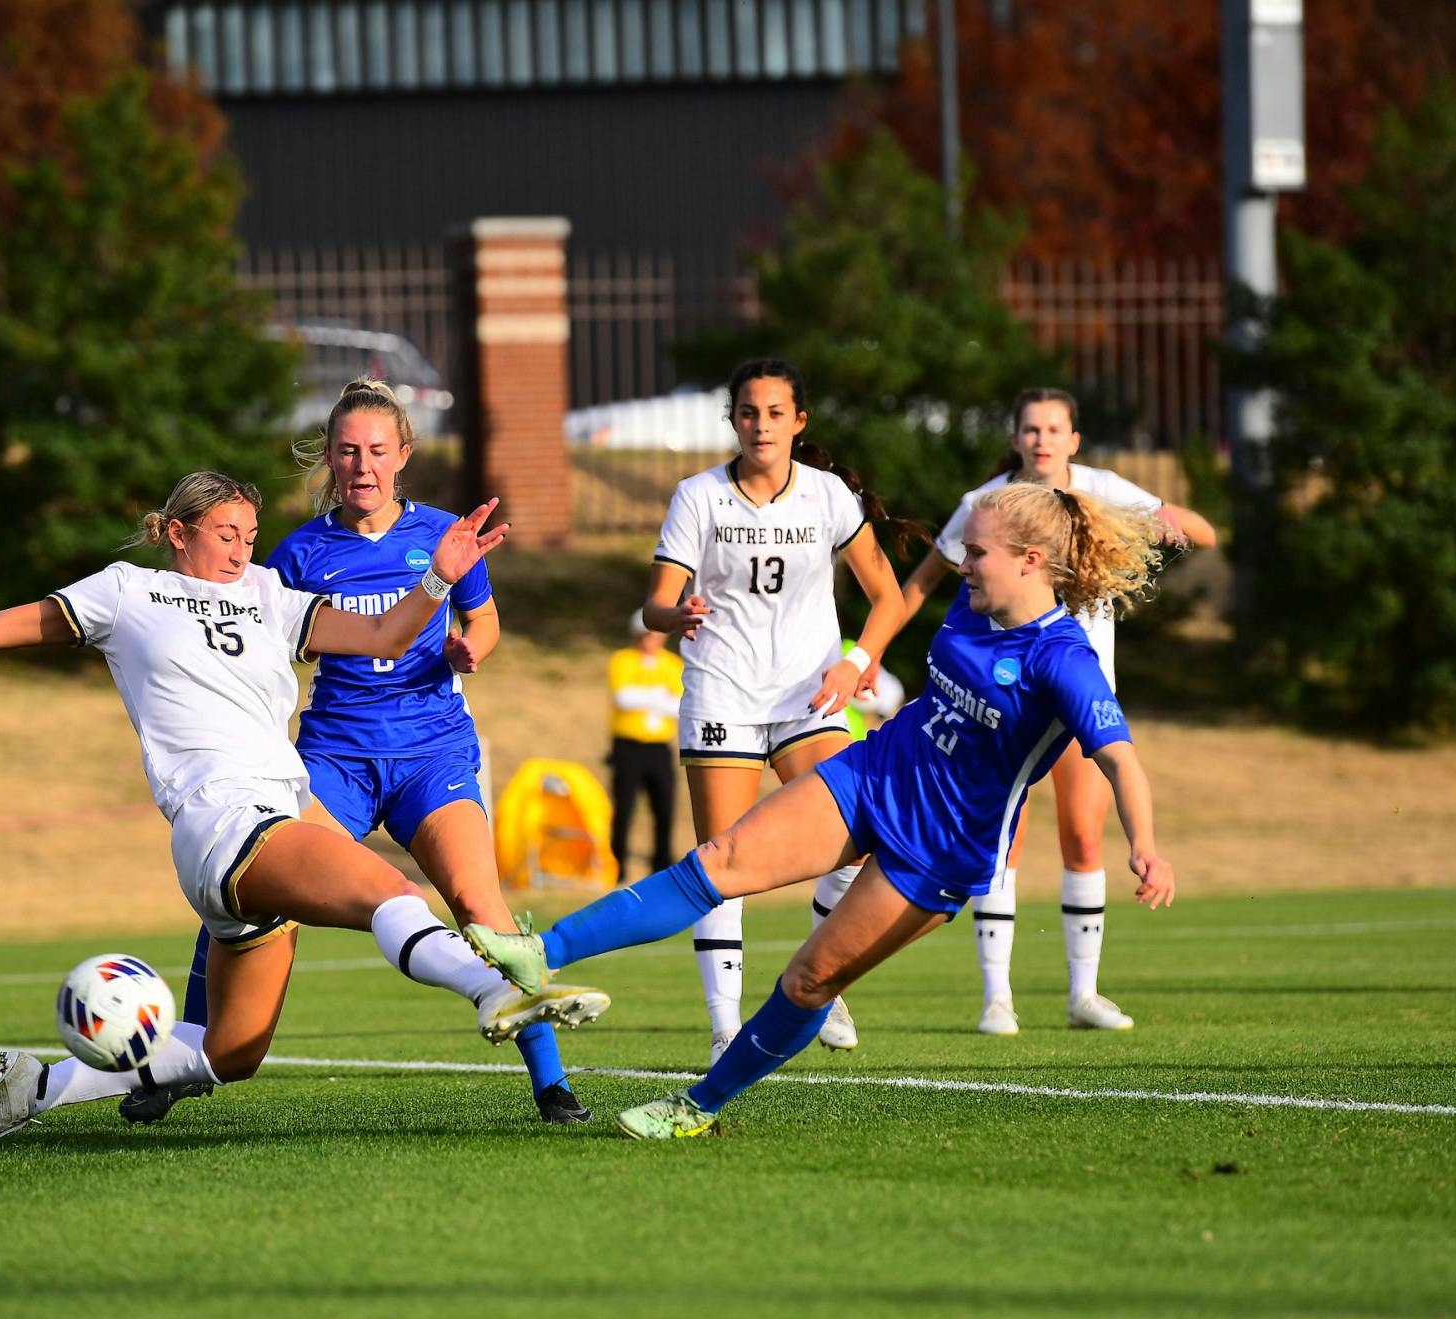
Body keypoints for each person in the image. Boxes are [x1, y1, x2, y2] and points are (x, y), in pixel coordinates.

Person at [0, 471, 611, 1156]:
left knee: (228, 1052)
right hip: (222, 820)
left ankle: (36, 1087)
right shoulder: (125, 593)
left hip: (272, 816)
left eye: (250, 535)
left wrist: (439, 574)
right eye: (224, 535)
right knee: (385, 890)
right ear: (176, 531)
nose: (242, 550)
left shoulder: (272, 597)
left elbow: (389, 634)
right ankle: (489, 994)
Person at [464, 483, 1177, 1139]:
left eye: (979, 552)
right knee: (717, 861)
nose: (964, 563)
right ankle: (541, 954)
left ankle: (697, 1105)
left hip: (940, 850)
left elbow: (1119, 757)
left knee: (810, 980)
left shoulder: (1063, 658)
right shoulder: (973, 603)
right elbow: (901, 603)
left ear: (1030, 561)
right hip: (872, 774)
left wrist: (1144, 842)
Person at [130, 379, 591, 1129]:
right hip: (335, 759)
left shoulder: (444, 534)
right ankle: (184, 1059)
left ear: (404, 454)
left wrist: (472, 646)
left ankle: (551, 1081)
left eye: (377, 449)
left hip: (431, 755)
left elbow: (486, 620)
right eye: (347, 451)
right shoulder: (299, 552)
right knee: (250, 888)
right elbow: (253, 630)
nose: (362, 464)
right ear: (332, 460)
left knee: (479, 905)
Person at [898, 388, 1216, 1036]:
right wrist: (864, 654)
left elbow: (1201, 531)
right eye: (1030, 428)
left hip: (1074, 695)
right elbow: (923, 582)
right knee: (1000, 842)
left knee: (1083, 836)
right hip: (1001, 697)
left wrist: (1145, 525)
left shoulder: (1100, 490)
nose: (1041, 439)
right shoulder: (986, 507)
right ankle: (997, 998)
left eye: (1054, 428)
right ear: (1015, 438)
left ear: (1074, 440)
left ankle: (1084, 994)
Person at [646, 357, 912, 1065]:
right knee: (721, 859)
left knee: (857, 841)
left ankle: (819, 981)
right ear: (732, 420)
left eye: (774, 412)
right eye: (747, 412)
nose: (760, 424)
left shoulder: (826, 496)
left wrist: (858, 662)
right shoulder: (698, 496)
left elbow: (890, 597)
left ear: (799, 421)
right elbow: (655, 602)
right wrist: (677, 613)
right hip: (723, 691)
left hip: (808, 697)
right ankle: (724, 1027)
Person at [607, 607, 682, 884]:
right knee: (624, 809)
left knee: (664, 809)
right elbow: (624, 698)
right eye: (646, 634)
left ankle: (662, 866)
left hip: (659, 747)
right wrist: (659, 697)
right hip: (627, 746)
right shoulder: (623, 660)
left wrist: (648, 698)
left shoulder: (673, 664)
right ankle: (617, 867)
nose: (650, 639)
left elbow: (678, 705)